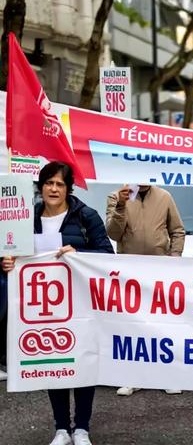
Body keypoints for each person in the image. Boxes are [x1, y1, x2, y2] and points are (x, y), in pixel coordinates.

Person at [2, 162, 114, 445]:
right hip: (44, 307)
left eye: (60, 184)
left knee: (83, 362)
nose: (53, 189)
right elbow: (10, 253)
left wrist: (80, 252)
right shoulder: (25, 219)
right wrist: (6, 262)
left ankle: (82, 428)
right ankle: (62, 429)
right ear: (41, 186)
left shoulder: (86, 215)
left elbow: (106, 254)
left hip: (81, 303)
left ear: (68, 188)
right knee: (53, 363)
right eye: (49, 183)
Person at [106, 184, 185, 396]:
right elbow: (113, 233)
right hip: (129, 273)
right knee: (132, 325)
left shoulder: (165, 196)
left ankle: (165, 375)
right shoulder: (115, 197)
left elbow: (177, 230)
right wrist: (121, 205)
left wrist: (175, 257)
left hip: (159, 272)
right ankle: (133, 376)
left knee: (162, 324)